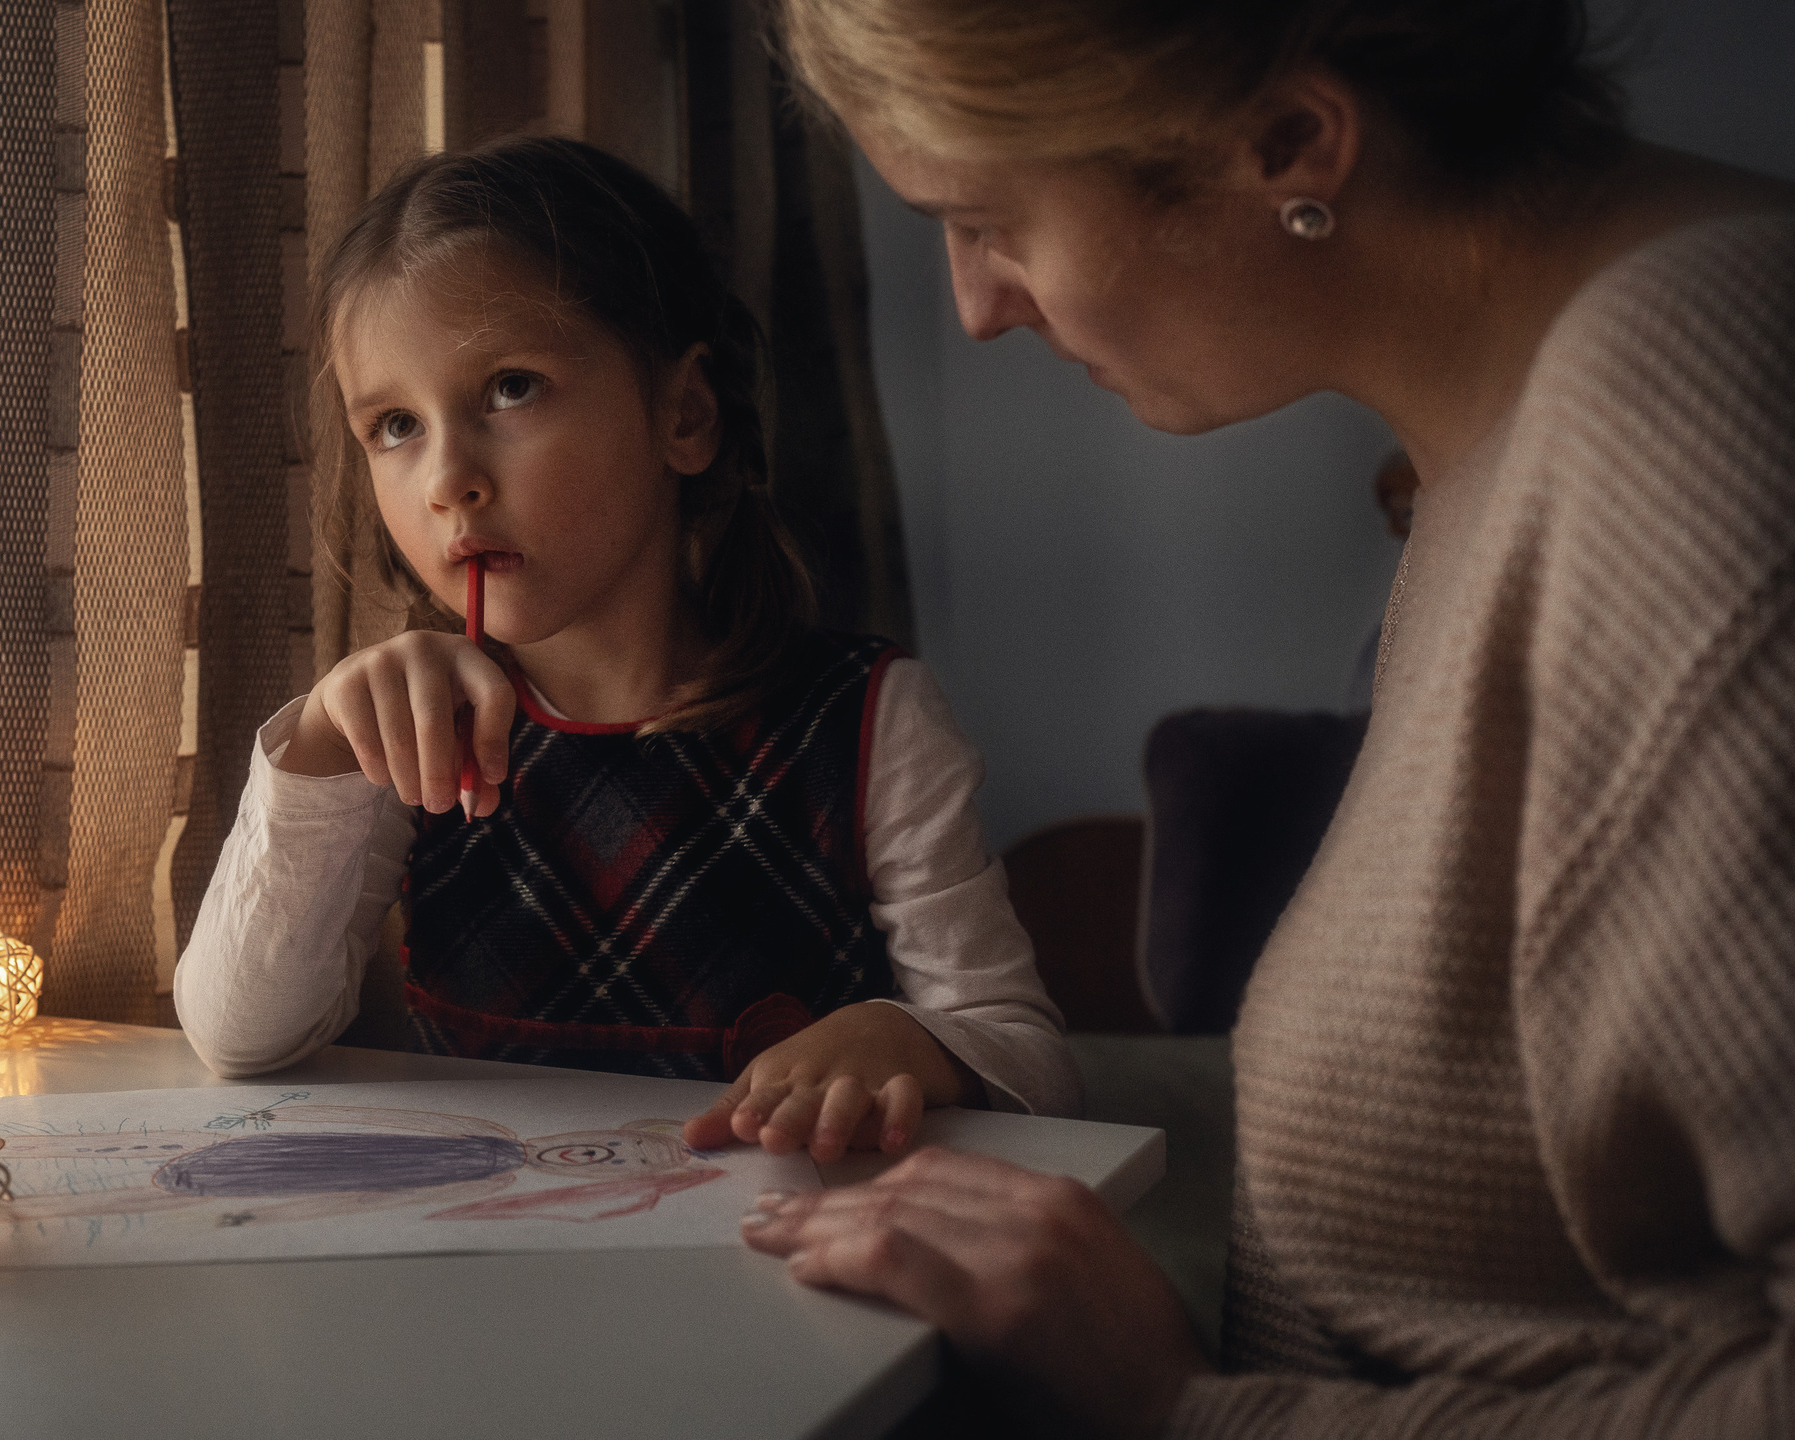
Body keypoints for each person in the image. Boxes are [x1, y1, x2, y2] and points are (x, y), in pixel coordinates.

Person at [737, 0, 1795, 1434]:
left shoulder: (1705, 425)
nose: (979, 306)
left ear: (1289, 143)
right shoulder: (1499, 444)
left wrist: (1183, 1407)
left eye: (988, 219)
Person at [174, 137, 1081, 1160]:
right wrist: (327, 742)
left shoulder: (867, 718)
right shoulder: (409, 730)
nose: (447, 479)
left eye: (510, 388)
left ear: (683, 415)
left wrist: (911, 1040)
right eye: (393, 425)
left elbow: (1031, 1066)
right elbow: (240, 1038)